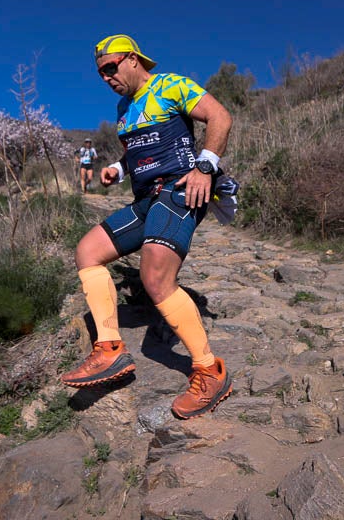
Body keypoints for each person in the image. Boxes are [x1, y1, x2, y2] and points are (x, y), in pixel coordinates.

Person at [61, 34, 233, 419]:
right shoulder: (125, 107)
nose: (106, 77)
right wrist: (118, 168)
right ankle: (109, 350)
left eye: (111, 67)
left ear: (134, 59)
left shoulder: (170, 85)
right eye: (100, 72)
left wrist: (206, 167)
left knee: (155, 277)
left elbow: (220, 116)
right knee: (87, 252)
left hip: (179, 191)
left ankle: (209, 370)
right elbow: (135, 149)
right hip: (144, 199)